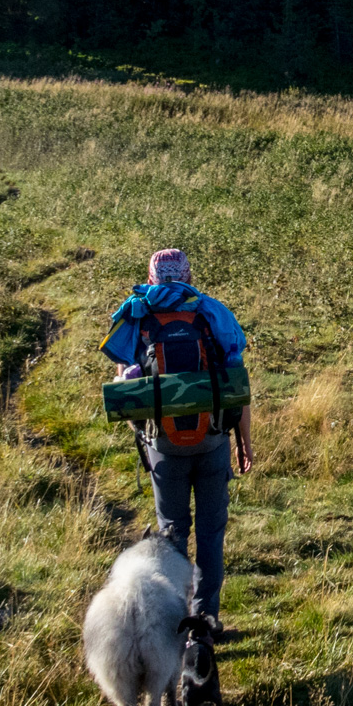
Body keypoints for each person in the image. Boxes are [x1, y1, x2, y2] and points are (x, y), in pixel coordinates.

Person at [100, 248, 253, 630]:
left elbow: (127, 388)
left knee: (172, 536)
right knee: (211, 533)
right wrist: (244, 444)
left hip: (163, 447)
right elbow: (238, 387)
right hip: (214, 442)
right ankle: (206, 618)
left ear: (151, 277)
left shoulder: (136, 316)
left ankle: (172, 625)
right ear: (187, 275)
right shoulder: (211, 313)